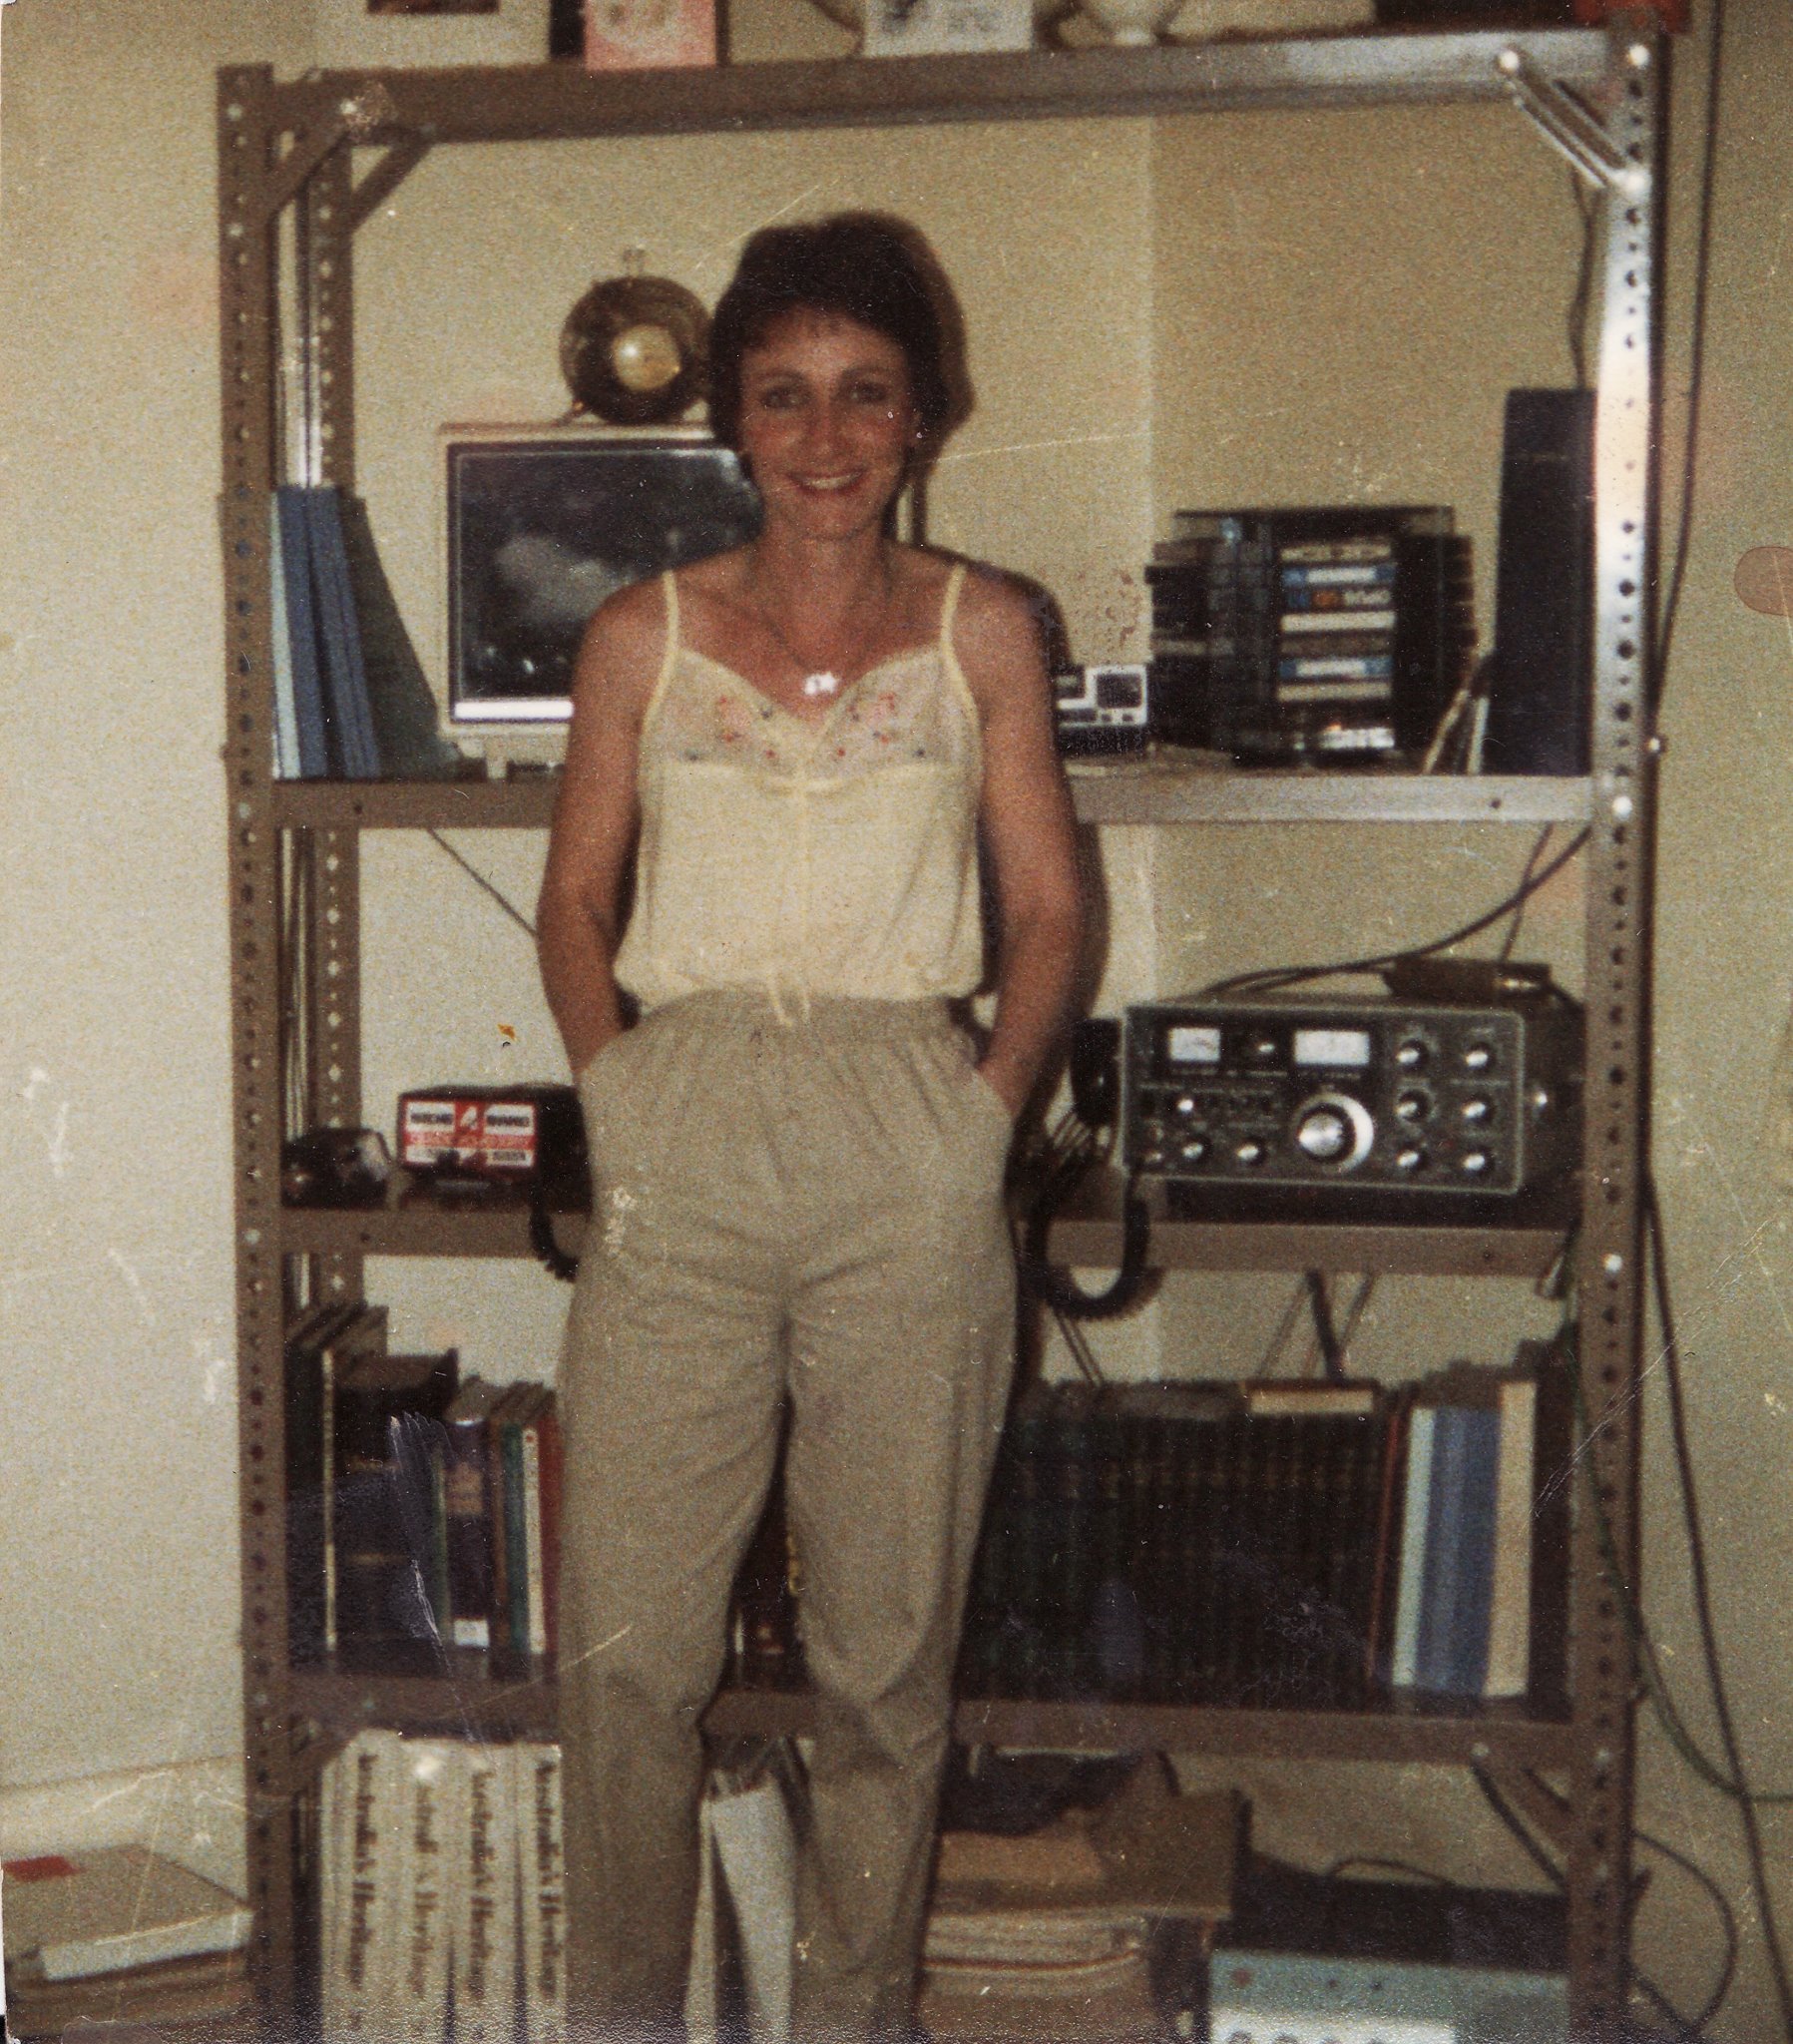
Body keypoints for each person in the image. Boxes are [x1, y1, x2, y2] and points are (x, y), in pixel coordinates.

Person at [536, 211, 1085, 2044]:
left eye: (864, 392)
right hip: (681, 1131)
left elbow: (1048, 907)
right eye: (782, 395)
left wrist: (977, 1121)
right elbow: (573, 899)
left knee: (884, 1663)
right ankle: (626, 2021)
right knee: (629, 1653)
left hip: (902, 1128)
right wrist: (619, 1092)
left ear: (922, 413)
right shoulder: (645, 633)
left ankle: (847, 2023)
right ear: (733, 422)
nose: (825, 436)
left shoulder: (980, 626)